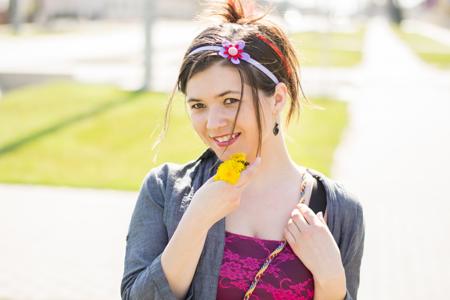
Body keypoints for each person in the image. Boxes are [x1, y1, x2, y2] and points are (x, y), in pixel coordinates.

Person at [121, 1, 365, 299]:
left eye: (230, 101)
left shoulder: (340, 210)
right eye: (198, 106)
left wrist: (331, 281)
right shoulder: (164, 190)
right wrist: (196, 220)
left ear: (277, 98)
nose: (213, 124)